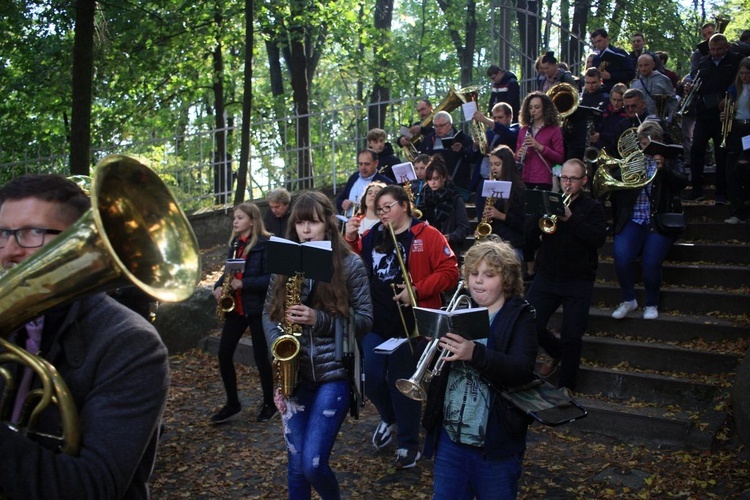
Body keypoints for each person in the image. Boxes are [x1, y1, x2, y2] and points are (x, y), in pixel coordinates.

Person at [0, 174, 169, 498]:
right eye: (3, 233)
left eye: (31, 233)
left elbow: (92, 487)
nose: (9, 251)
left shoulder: (132, 343)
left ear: (76, 244)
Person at [262, 191, 373, 499]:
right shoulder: (285, 260)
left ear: (327, 222)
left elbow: (364, 319)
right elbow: (268, 313)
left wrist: (318, 319)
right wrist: (278, 346)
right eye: (300, 224)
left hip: (333, 374)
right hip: (293, 374)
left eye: (312, 222)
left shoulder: (350, 264)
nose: (306, 230)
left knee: (312, 464)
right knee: (296, 466)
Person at [344, 185, 458, 470]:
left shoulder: (427, 235)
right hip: (375, 322)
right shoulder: (374, 235)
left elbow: (450, 272)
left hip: (411, 326)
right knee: (370, 378)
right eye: (379, 209)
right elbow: (355, 256)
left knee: (400, 381)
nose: (382, 213)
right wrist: (349, 237)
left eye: (388, 207)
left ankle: (408, 445)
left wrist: (416, 290)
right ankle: (390, 418)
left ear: (404, 206)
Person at [422, 239, 538, 499]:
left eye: (489, 275)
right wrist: (434, 347)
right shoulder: (458, 311)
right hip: (451, 440)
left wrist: (474, 353)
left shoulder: (521, 317)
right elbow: (438, 373)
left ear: (506, 279)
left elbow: (522, 370)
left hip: (495, 444)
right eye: (473, 273)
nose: (478, 281)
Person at [525, 159, 607, 393]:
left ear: (584, 181)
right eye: (564, 178)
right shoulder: (552, 201)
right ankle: (556, 354)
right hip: (548, 275)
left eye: (572, 179)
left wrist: (570, 218)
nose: (567, 183)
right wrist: (536, 214)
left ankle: (566, 386)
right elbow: (529, 236)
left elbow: (597, 239)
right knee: (528, 322)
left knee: (572, 333)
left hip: (578, 279)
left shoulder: (593, 208)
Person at [609, 121, 688, 320]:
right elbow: (617, 183)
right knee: (621, 257)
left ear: (660, 142)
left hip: (657, 219)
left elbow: (682, 182)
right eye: (643, 144)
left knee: (651, 263)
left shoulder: (672, 157)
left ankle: (652, 303)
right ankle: (629, 299)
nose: (646, 149)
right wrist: (627, 169)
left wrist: (663, 169)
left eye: (650, 144)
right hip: (634, 217)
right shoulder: (634, 158)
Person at [211, 202, 275, 423]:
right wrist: (218, 286)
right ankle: (232, 403)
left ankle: (270, 403)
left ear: (252, 220)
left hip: (256, 308)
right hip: (236, 308)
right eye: (234, 218)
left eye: (239, 217)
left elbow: (272, 279)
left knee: (260, 357)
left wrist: (244, 284)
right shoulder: (235, 244)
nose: (235, 221)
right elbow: (228, 272)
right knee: (224, 353)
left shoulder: (266, 244)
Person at [684, 34, 743, 203]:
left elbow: (740, 81)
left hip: (724, 115)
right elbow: (696, 82)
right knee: (696, 150)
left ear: (726, 47)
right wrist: (690, 88)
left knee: (721, 153)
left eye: (719, 49)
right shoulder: (703, 62)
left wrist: (730, 96)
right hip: (704, 113)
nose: (716, 53)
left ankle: (721, 192)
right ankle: (696, 189)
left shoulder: (736, 60)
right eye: (713, 49)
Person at [471, 102, 519, 216]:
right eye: (494, 117)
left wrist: (486, 120)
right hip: (483, 178)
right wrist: (475, 146)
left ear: (510, 117)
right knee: (481, 213)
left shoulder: (516, 129)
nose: (496, 120)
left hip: (501, 179)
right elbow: (474, 158)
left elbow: (508, 134)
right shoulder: (488, 133)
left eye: (500, 117)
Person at [480, 146, 526, 261]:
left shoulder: (519, 189)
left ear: (507, 165)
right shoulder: (492, 186)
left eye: (497, 164)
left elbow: (523, 225)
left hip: (512, 246)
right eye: (491, 164)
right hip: (494, 244)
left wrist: (500, 215)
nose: (493, 168)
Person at [418, 111, 476, 201]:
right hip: (433, 185)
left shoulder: (464, 139)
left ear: (450, 125)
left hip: (457, 184)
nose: (438, 129)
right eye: (435, 126)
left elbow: (473, 158)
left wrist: (461, 150)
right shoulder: (428, 139)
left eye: (441, 126)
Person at [420, 157, 470, 261]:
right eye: (429, 179)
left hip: (449, 249)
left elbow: (464, 227)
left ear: (443, 178)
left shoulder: (455, 198)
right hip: (428, 249)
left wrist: (450, 236)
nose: (432, 183)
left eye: (435, 179)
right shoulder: (424, 196)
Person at [516, 91, 565, 191]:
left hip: (543, 179)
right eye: (530, 108)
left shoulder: (554, 130)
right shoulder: (524, 130)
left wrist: (539, 147)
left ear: (545, 109)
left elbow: (559, 157)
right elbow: (517, 156)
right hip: (524, 178)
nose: (533, 111)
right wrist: (519, 155)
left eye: (537, 107)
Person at [722, 56, 750, 224]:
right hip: (736, 130)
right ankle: (737, 212)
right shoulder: (734, 89)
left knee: (743, 168)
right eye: (742, 74)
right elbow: (727, 107)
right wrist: (725, 114)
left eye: (747, 73)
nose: (744, 77)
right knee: (730, 171)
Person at [336, 149, 393, 217]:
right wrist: (343, 203)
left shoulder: (386, 183)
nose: (363, 167)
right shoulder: (354, 177)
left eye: (367, 164)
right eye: (360, 164)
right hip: (348, 222)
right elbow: (340, 199)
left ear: (376, 163)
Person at [591, 28, 635, 92]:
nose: (597, 44)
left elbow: (631, 74)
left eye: (599, 41)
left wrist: (610, 76)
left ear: (607, 38)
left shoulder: (620, 53)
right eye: (595, 42)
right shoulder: (596, 59)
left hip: (619, 92)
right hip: (601, 92)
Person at [598, 83, 629, 155]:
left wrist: (601, 136)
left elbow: (621, 138)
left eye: (619, 100)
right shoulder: (605, 111)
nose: (616, 103)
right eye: (614, 99)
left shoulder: (627, 116)